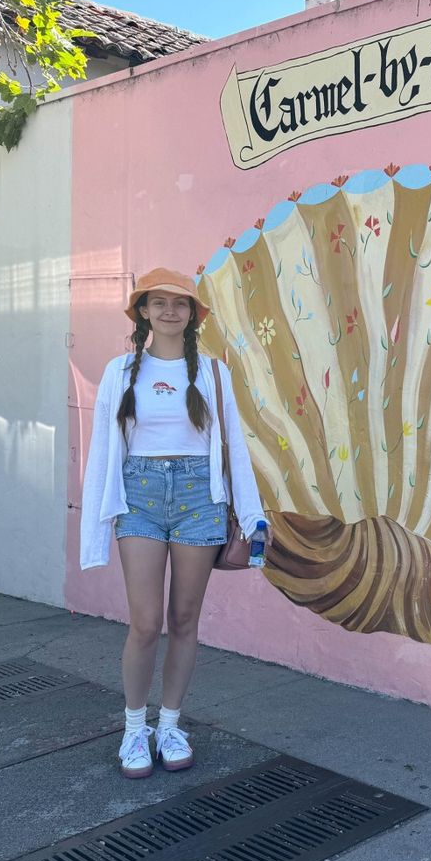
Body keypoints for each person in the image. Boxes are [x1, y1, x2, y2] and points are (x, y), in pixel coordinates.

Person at [78, 267, 267, 779]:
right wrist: (94, 524)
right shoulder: (121, 371)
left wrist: (253, 516)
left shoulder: (214, 373)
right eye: (158, 302)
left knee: (184, 619)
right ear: (143, 311)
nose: (168, 310)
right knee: (145, 622)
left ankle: (170, 726)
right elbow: (103, 450)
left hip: (198, 496)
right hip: (138, 495)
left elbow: (235, 447)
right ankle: (133, 728)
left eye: (179, 303)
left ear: (192, 314)